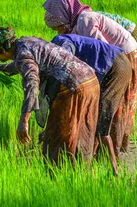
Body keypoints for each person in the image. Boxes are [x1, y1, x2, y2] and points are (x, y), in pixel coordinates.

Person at [42, 0, 137, 153]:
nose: (59, 32)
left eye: (59, 27)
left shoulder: (85, 20)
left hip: (125, 56)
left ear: (65, 16)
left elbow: (106, 52)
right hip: (118, 58)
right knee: (113, 103)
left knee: (119, 102)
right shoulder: (76, 25)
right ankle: (111, 145)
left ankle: (115, 146)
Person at [0, 27, 100, 164]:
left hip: (73, 87)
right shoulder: (26, 41)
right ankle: (82, 171)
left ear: (3, 50)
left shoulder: (22, 54)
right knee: (83, 131)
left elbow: (31, 85)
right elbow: (22, 64)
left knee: (58, 136)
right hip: (90, 81)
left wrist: (23, 122)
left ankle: (57, 175)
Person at [51, 34, 131, 173]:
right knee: (94, 119)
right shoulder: (52, 48)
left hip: (116, 66)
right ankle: (90, 161)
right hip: (114, 65)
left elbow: (67, 60)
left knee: (101, 123)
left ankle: (114, 170)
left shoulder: (59, 43)